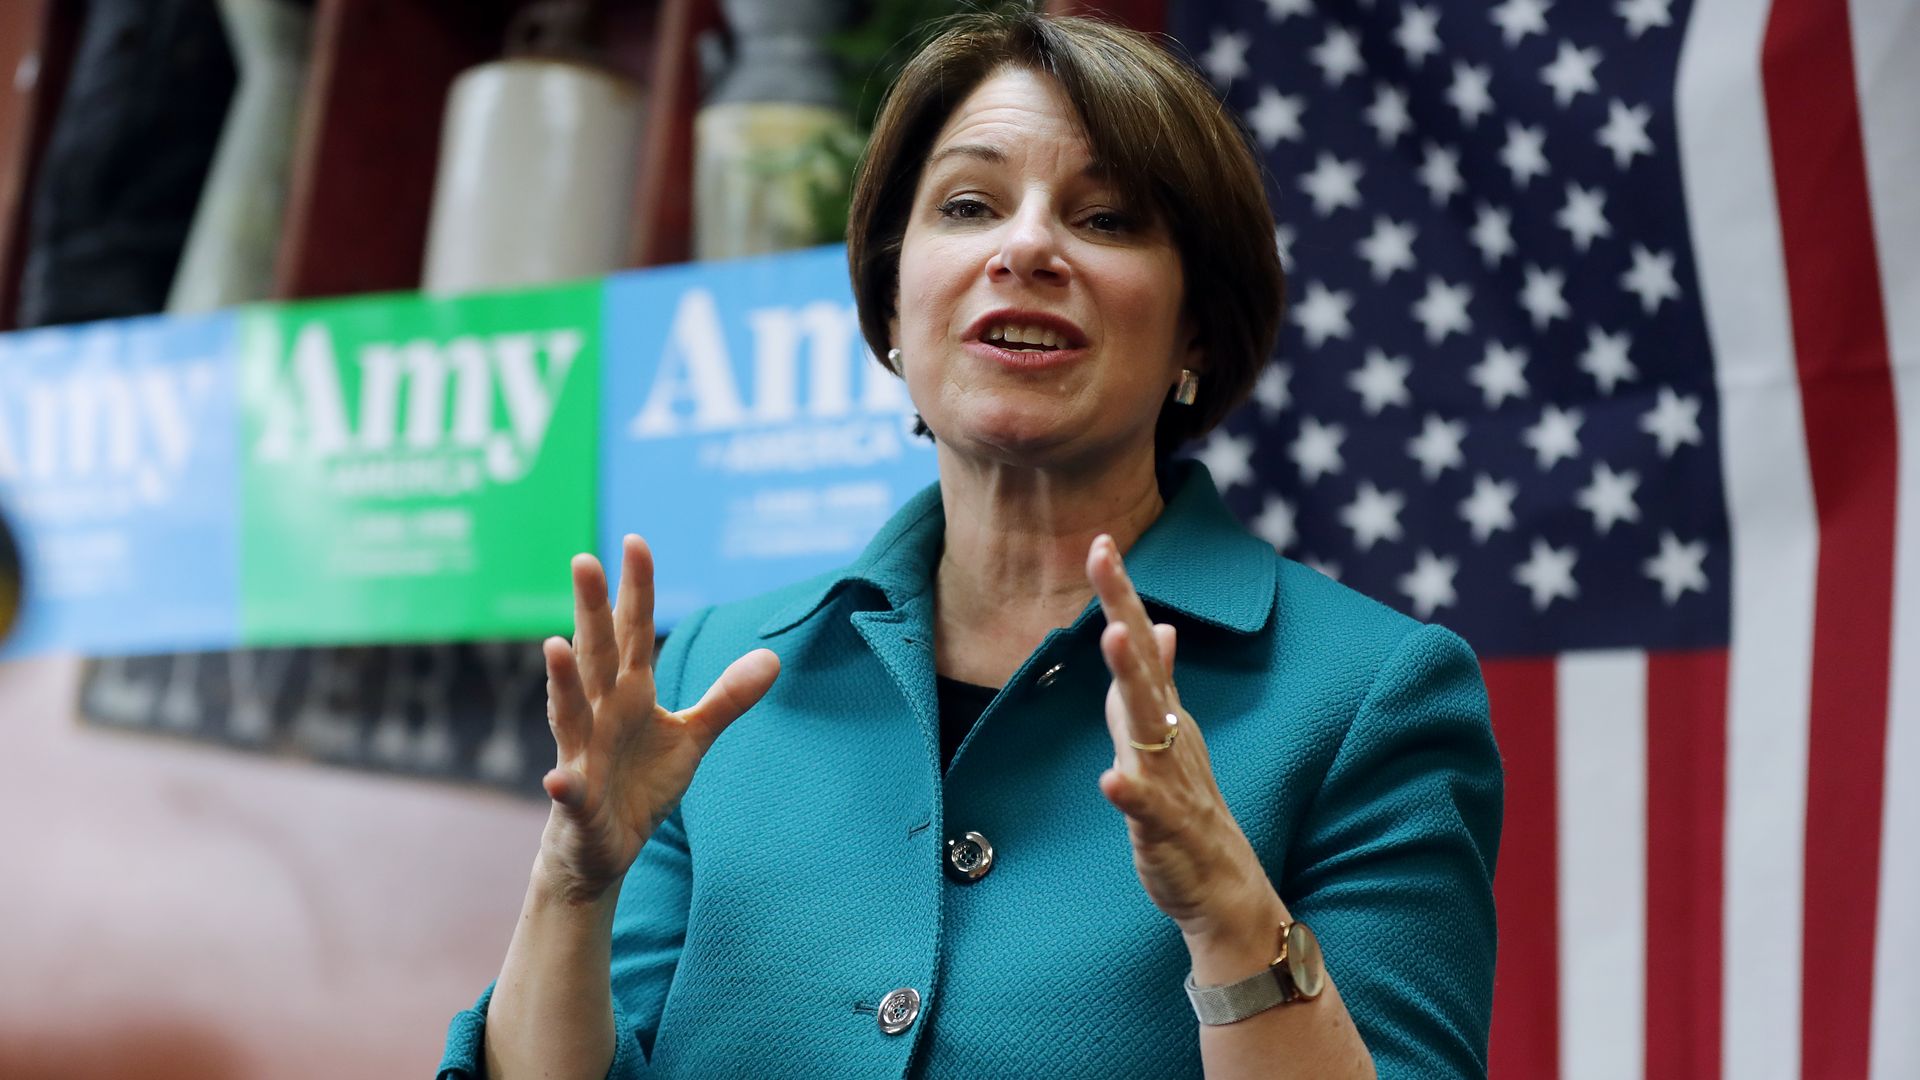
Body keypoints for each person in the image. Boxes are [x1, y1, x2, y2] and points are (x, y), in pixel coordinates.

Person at [439, 9, 1501, 1079]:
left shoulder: (1372, 697)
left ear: (1198, 329)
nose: (1027, 245)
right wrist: (570, 886)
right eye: (968, 204)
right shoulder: (711, 672)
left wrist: (1230, 916)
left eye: (1107, 218)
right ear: (894, 304)